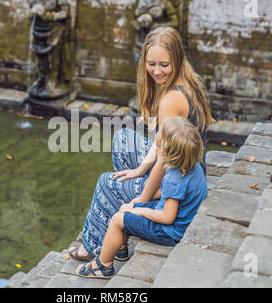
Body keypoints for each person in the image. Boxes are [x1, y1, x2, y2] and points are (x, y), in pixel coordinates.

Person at [68, 26, 214, 262]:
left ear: (176, 59)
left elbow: (165, 159)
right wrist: (140, 169)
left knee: (107, 182)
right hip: (190, 167)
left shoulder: (172, 99)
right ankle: (122, 227)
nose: (157, 71)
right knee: (123, 139)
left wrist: (141, 199)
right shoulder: (187, 81)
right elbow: (160, 144)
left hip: (181, 177)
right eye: (151, 64)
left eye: (164, 65)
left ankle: (93, 246)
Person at [76, 116, 208, 278]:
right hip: (181, 218)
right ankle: (120, 248)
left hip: (170, 231)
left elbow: (167, 217)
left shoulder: (175, 178)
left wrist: (140, 211)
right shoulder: (192, 167)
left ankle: (103, 265)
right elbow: (172, 195)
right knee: (127, 206)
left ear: (166, 149)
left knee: (118, 219)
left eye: (161, 132)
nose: (157, 132)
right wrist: (136, 206)